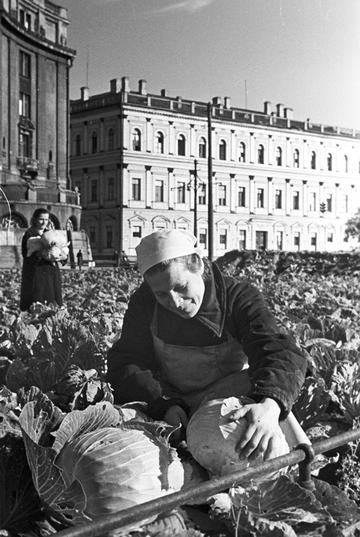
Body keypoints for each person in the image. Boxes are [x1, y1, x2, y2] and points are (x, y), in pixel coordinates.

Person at [106, 229, 308, 461]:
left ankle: (305, 463)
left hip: (229, 398)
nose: (175, 302)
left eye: (181, 287)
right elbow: (128, 361)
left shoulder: (237, 296)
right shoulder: (144, 303)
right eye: (162, 294)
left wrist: (271, 405)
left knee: (277, 412)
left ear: (198, 266)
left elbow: (274, 347)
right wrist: (164, 405)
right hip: (171, 399)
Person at [20, 208, 63, 311]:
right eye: (41, 219)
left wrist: (62, 256)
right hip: (36, 273)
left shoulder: (51, 233)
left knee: (52, 301)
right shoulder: (29, 234)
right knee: (37, 301)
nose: (44, 222)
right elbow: (26, 254)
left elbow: (60, 249)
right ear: (35, 219)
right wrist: (43, 254)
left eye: (46, 219)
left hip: (51, 272)